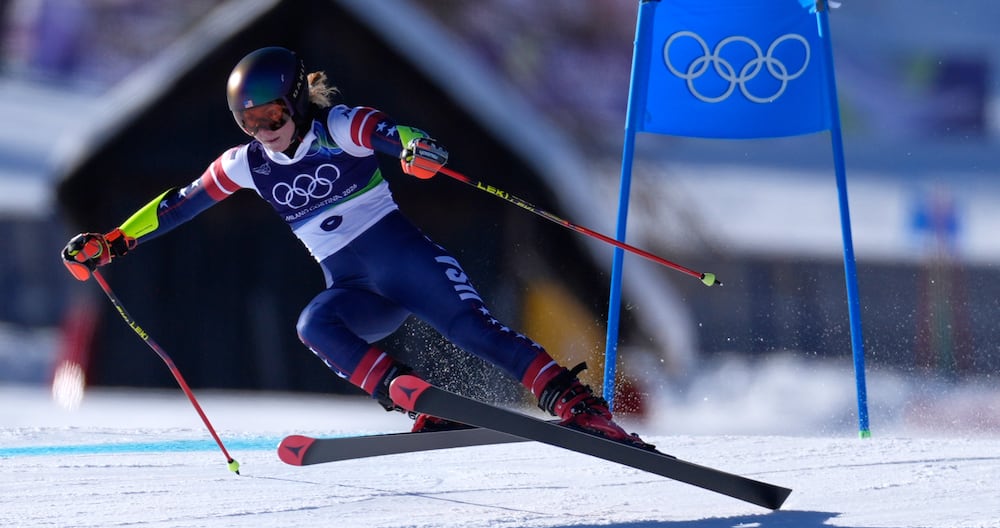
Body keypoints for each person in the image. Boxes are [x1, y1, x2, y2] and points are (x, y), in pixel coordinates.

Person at [61, 46, 649, 447]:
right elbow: (179, 204)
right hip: (356, 289)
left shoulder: (336, 126)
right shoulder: (246, 164)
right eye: (249, 122)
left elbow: (393, 134)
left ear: (294, 102)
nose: (264, 131)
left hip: (410, 264)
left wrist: (418, 151)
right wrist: (113, 243)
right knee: (314, 324)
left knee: (472, 331)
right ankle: (417, 398)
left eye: (271, 116)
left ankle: (579, 405)